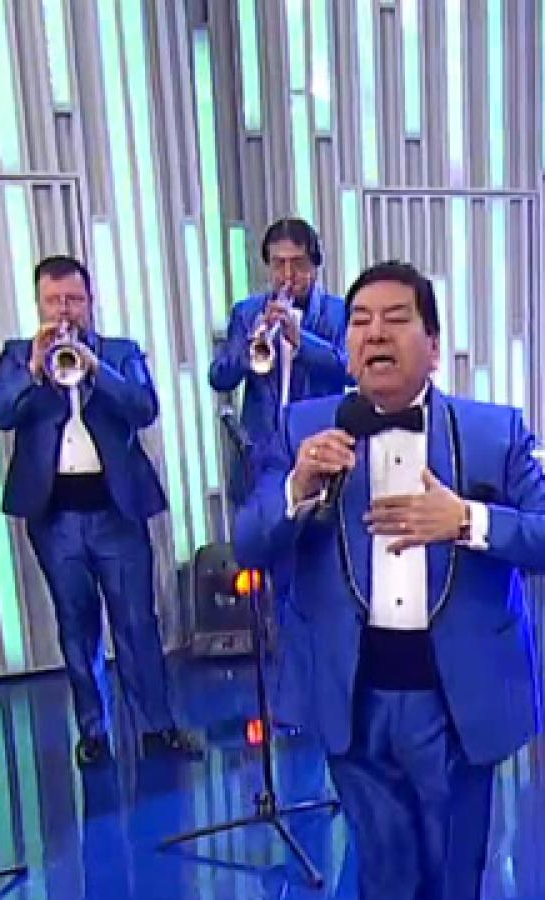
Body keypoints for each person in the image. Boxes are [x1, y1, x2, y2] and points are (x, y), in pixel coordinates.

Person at [235, 261, 545, 899]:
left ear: (434, 347)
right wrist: (297, 487)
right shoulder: (301, 428)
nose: (375, 334)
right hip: (351, 690)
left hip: (458, 695)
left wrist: (468, 520)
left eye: (396, 319)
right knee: (383, 869)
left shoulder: (492, 431)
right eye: (361, 322)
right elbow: (249, 542)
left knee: (452, 871)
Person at [0, 255, 202, 767]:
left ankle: (156, 726)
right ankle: (94, 731)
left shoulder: (120, 352)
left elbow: (144, 408)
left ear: (90, 301)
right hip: (54, 516)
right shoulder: (17, 356)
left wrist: (95, 369)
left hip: (116, 512)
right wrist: (35, 370)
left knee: (137, 624)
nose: (65, 311)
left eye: (74, 300)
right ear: (38, 304)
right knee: (76, 624)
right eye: (53, 300)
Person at [208, 217, 351, 730]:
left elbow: (350, 369)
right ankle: (290, 703)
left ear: (316, 265)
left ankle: (324, 694)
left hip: (324, 455)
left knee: (320, 583)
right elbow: (219, 376)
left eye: (298, 264)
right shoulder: (247, 312)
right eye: (278, 265)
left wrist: (300, 338)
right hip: (266, 461)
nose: (287, 276)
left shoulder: (339, 313)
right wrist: (250, 343)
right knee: (276, 588)